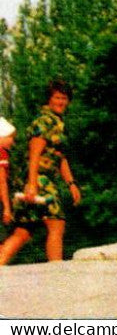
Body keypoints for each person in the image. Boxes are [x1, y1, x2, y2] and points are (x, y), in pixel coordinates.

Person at [0, 80, 81, 265]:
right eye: (58, 98)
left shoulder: (58, 122)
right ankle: (56, 273)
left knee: (23, 231)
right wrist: (32, 184)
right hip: (38, 179)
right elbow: (34, 152)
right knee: (57, 223)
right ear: (49, 99)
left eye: (65, 98)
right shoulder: (45, 121)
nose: (61, 102)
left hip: (39, 180)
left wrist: (71, 183)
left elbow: (60, 157)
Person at [0, 117, 17, 228]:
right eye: (11, 137)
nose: (13, 142)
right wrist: (6, 208)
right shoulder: (1, 153)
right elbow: (2, 182)